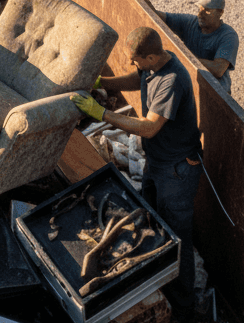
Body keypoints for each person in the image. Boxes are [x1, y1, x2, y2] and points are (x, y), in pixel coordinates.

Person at [70, 26, 203, 305]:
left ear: (153, 57)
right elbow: (137, 79)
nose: (133, 64)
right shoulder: (153, 68)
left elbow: (149, 127)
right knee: (149, 219)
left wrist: (101, 113)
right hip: (157, 163)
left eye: (137, 59)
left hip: (177, 172)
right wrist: (104, 83)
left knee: (178, 236)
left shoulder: (172, 80)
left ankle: (184, 300)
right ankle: (155, 276)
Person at [156, 0, 238, 94]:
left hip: (217, 92)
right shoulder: (190, 22)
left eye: (207, 11)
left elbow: (218, 69)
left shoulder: (228, 36)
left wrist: (183, 58)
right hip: (191, 84)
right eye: (199, 9)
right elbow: (158, 16)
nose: (200, 14)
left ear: (220, 13)